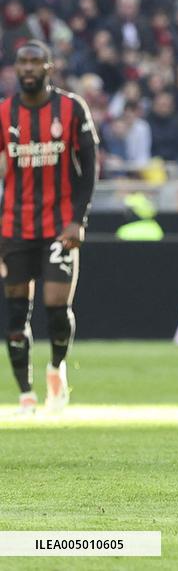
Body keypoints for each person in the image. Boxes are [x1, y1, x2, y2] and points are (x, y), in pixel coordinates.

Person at [0, 40, 98, 414]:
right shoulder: (5, 113)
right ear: (16, 68)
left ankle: (56, 369)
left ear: (48, 67)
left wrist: (78, 219)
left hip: (59, 225)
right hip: (14, 226)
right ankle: (25, 395)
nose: (28, 68)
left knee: (56, 307)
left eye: (35, 61)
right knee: (15, 312)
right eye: (22, 62)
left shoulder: (71, 108)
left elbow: (89, 167)